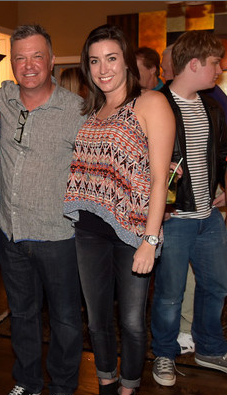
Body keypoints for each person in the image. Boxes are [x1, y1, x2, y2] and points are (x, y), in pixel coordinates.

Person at [63, 24, 175, 395]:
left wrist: (150, 239)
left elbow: (160, 180)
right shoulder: (93, 109)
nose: (103, 68)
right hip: (89, 231)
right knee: (96, 321)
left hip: (133, 233)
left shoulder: (150, 103)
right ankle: (106, 383)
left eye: (111, 58)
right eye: (94, 61)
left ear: (126, 60)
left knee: (130, 322)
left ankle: (129, 388)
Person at [0, 24, 86, 395]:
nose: (28, 65)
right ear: (12, 63)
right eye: (20, 58)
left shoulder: (76, 110)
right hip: (11, 233)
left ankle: (63, 386)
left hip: (60, 236)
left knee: (64, 319)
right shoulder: (1, 100)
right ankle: (27, 382)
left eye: (36, 56)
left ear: (50, 59)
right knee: (22, 314)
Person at [151, 30, 227, 387]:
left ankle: (210, 348)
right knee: (169, 295)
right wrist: (158, 207)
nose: (220, 69)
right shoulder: (156, 104)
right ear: (194, 64)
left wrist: (222, 185)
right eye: (215, 63)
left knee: (216, 287)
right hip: (176, 219)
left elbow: (218, 156)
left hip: (209, 218)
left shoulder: (212, 106)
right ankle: (164, 354)